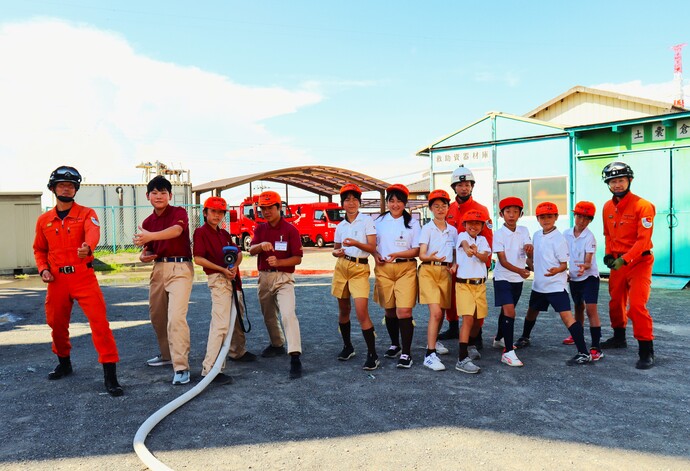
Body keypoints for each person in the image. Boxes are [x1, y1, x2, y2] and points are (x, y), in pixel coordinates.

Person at [33, 166, 123, 396]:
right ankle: (64, 363)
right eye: (62, 185)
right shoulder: (44, 220)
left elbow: (93, 232)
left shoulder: (86, 213)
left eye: (71, 186)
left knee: (100, 324)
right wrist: (43, 269)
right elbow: (39, 249)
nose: (66, 189)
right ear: (53, 188)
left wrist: (88, 247)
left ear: (76, 189)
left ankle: (110, 376)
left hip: (83, 277)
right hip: (57, 281)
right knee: (56, 323)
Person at [133, 175, 194, 386]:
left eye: (163, 192)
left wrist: (150, 236)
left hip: (180, 268)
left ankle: (181, 367)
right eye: (154, 192)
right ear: (148, 196)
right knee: (157, 316)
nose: (159, 196)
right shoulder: (147, 222)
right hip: (159, 268)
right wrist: (144, 255)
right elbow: (148, 249)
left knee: (176, 317)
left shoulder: (178, 212)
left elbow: (176, 231)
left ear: (170, 195)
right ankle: (167, 355)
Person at [514, 202, 591, 366]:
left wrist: (557, 271)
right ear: (537, 219)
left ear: (556, 217)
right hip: (539, 285)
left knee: (567, 317)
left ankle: (584, 352)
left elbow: (564, 265)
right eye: (542, 217)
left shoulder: (559, 239)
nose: (546, 220)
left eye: (550, 216)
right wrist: (529, 257)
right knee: (531, 313)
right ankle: (525, 337)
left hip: (556, 286)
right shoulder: (536, 235)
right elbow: (533, 260)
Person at [193, 196, 257, 386]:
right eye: (213, 211)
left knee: (236, 319)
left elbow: (238, 253)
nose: (217, 215)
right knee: (220, 324)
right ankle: (210, 369)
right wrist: (222, 270)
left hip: (233, 279)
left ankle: (237, 352)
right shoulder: (201, 232)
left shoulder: (224, 234)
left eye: (220, 212)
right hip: (219, 279)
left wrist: (235, 266)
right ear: (205, 213)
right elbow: (198, 258)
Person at [600, 161, 656, 369]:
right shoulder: (607, 207)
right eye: (613, 181)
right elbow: (608, 234)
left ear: (629, 180)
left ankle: (646, 350)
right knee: (615, 302)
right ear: (608, 184)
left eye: (621, 180)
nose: (617, 185)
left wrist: (625, 259)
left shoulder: (643, 206)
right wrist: (608, 254)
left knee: (637, 305)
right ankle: (619, 337)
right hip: (617, 262)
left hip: (639, 261)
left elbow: (643, 240)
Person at [248, 190, 304, 379]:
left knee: (288, 314)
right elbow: (251, 250)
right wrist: (260, 245)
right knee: (268, 314)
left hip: (284, 278)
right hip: (264, 277)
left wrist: (279, 262)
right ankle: (277, 344)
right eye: (263, 208)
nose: (266, 212)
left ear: (279, 207)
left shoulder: (290, 230)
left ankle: (295, 356)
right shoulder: (260, 229)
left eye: (270, 208)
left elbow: (297, 258)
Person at [439, 166, 493, 352]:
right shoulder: (449, 209)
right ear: (454, 187)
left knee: (475, 303)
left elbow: (488, 238)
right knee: (451, 297)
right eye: (460, 185)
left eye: (467, 185)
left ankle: (476, 335)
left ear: (472, 186)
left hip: (474, 263)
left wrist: (486, 263)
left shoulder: (481, 209)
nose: (464, 188)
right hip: (452, 261)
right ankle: (453, 327)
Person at [331, 184, 380, 370]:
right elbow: (335, 249)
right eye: (347, 200)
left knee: (361, 312)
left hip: (360, 268)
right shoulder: (340, 225)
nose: (351, 203)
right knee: (344, 310)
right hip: (342, 267)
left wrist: (355, 243)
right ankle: (348, 346)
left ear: (359, 202)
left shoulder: (366, 221)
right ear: (342, 203)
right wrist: (336, 253)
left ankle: (372, 354)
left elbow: (372, 247)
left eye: (354, 199)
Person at [373, 184, 421, 369]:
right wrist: (375, 255)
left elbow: (416, 250)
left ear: (405, 203)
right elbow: (372, 244)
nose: (395, 205)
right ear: (387, 202)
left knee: (404, 311)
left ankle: (406, 353)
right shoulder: (379, 221)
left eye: (399, 201)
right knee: (389, 310)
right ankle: (395, 345)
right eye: (391, 201)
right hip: (384, 269)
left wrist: (398, 254)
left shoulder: (413, 223)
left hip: (406, 269)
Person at [418, 189, 457, 371]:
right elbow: (421, 254)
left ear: (448, 208)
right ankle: (429, 355)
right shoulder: (427, 228)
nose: (440, 209)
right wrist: (429, 257)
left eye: (443, 206)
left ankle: (433, 341)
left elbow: (455, 253)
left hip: (445, 273)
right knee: (436, 313)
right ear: (431, 209)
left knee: (441, 311)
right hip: (428, 271)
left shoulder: (453, 230)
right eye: (436, 206)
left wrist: (454, 265)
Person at [491, 197, 533, 367]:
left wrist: (530, 252)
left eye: (516, 212)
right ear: (501, 214)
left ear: (520, 214)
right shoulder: (499, 234)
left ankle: (499, 338)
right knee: (510, 311)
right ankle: (508, 352)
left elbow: (529, 253)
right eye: (508, 211)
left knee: (507, 310)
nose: (511, 215)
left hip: (517, 279)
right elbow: (502, 261)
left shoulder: (524, 230)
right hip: (502, 277)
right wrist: (520, 271)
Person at [562, 201, 603, 361]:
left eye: (586, 218)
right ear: (574, 216)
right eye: (579, 216)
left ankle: (596, 347)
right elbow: (561, 254)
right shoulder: (566, 234)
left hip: (589, 277)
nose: (582, 221)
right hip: (574, 276)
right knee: (578, 306)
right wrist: (563, 271)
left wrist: (584, 266)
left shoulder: (589, 237)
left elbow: (588, 260)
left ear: (590, 220)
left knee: (591, 310)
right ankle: (577, 335)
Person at [454, 209, 491, 374]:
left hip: (480, 285)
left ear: (482, 226)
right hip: (464, 285)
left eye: (477, 223)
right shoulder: (462, 236)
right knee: (467, 319)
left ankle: (470, 345)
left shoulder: (483, 240)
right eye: (470, 223)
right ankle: (462, 358)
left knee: (478, 319)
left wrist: (476, 252)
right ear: (464, 224)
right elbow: (465, 245)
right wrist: (470, 250)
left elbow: (485, 257)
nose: (473, 226)